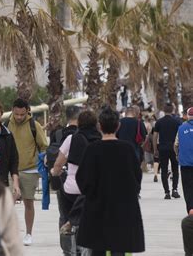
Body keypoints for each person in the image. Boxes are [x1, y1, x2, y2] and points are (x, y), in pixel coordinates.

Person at [76, 107, 145, 255]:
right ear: (118, 126)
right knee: (121, 247)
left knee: (99, 247)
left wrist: (91, 193)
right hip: (124, 208)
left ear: (99, 126)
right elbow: (137, 176)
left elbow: (82, 178)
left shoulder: (92, 149)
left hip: (98, 208)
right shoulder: (127, 149)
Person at [51, 110, 101, 235]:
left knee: (64, 213)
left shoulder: (71, 139)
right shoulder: (101, 140)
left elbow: (58, 164)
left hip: (72, 189)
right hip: (94, 190)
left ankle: (67, 232)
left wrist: (54, 172)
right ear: (96, 124)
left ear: (79, 123)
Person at [5, 98, 47, 246]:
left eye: (22, 114)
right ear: (13, 110)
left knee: (28, 202)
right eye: (16, 114)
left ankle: (28, 234)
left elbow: (43, 146)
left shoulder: (34, 125)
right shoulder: (5, 125)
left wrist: (42, 165)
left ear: (27, 111)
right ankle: (9, 233)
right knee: (8, 202)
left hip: (30, 169)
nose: (19, 117)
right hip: (10, 170)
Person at [153, 103, 182, 199]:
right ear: (173, 110)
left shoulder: (159, 122)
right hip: (174, 148)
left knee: (164, 170)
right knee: (175, 169)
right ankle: (175, 190)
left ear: (164, 110)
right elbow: (180, 136)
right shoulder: (177, 121)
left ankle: (167, 192)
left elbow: (155, 136)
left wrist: (155, 149)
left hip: (163, 148)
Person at [175, 107, 193, 213]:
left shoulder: (181, 128)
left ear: (187, 116)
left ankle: (190, 209)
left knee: (187, 187)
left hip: (185, 163)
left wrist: (178, 155)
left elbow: (176, 144)